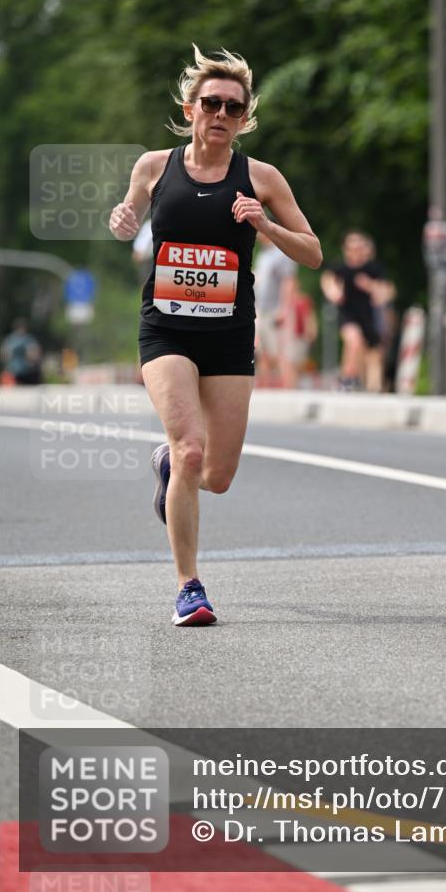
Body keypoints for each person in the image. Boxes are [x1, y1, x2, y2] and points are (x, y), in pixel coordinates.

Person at [108, 44, 322, 626]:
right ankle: (189, 587)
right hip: (166, 330)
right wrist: (122, 218)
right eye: (212, 103)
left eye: (234, 107)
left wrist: (265, 222)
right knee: (190, 450)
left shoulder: (261, 177)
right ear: (191, 107)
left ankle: (168, 467)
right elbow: (127, 214)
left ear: (244, 117)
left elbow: (314, 253)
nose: (221, 114)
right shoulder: (155, 166)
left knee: (216, 477)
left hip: (229, 335)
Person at [320, 231, 395, 392]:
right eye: (351, 248)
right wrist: (333, 292)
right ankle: (347, 380)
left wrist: (370, 286)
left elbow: (386, 292)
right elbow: (327, 280)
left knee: (372, 353)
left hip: (368, 317)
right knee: (354, 340)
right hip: (347, 314)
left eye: (358, 248)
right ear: (345, 249)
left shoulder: (373, 269)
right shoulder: (340, 268)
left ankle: (368, 386)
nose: (355, 252)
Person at [253, 231, 297, 388]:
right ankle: (264, 388)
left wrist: (284, 310)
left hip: (276, 310)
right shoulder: (263, 254)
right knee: (262, 352)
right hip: (262, 310)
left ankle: (289, 390)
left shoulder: (281, 253)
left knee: (280, 353)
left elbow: (288, 281)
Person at [1, 319, 42, 385]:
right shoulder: (10, 340)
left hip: (27, 372)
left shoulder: (29, 339)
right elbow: (4, 354)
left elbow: (35, 354)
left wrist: (31, 355)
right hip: (13, 372)